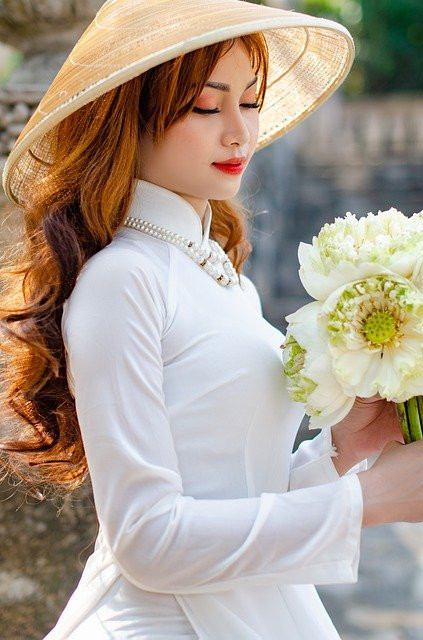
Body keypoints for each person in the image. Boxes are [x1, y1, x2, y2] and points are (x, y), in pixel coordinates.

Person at [0, 0, 422, 638]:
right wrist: (366, 502)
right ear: (131, 115)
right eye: (206, 105)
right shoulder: (125, 278)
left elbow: (237, 491)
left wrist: (343, 451)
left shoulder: (221, 278)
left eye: (250, 102)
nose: (239, 132)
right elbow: (147, 538)